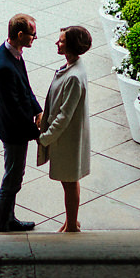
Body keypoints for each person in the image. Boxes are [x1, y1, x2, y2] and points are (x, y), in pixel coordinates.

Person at [35, 26, 93, 232]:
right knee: (70, 181)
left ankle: (71, 226)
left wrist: (45, 138)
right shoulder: (73, 70)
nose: (57, 43)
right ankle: (71, 220)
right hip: (69, 139)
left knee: (69, 182)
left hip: (68, 141)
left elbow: (64, 116)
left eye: (60, 41)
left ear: (70, 46)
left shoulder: (74, 77)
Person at [0, 13, 41, 231]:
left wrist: (38, 110)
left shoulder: (15, 54)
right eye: (32, 35)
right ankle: (1, 224)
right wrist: (38, 134)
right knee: (12, 179)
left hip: (17, 128)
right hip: (14, 131)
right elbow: (15, 109)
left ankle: (8, 219)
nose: (35, 39)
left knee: (14, 175)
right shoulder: (4, 67)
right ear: (20, 35)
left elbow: (25, 88)